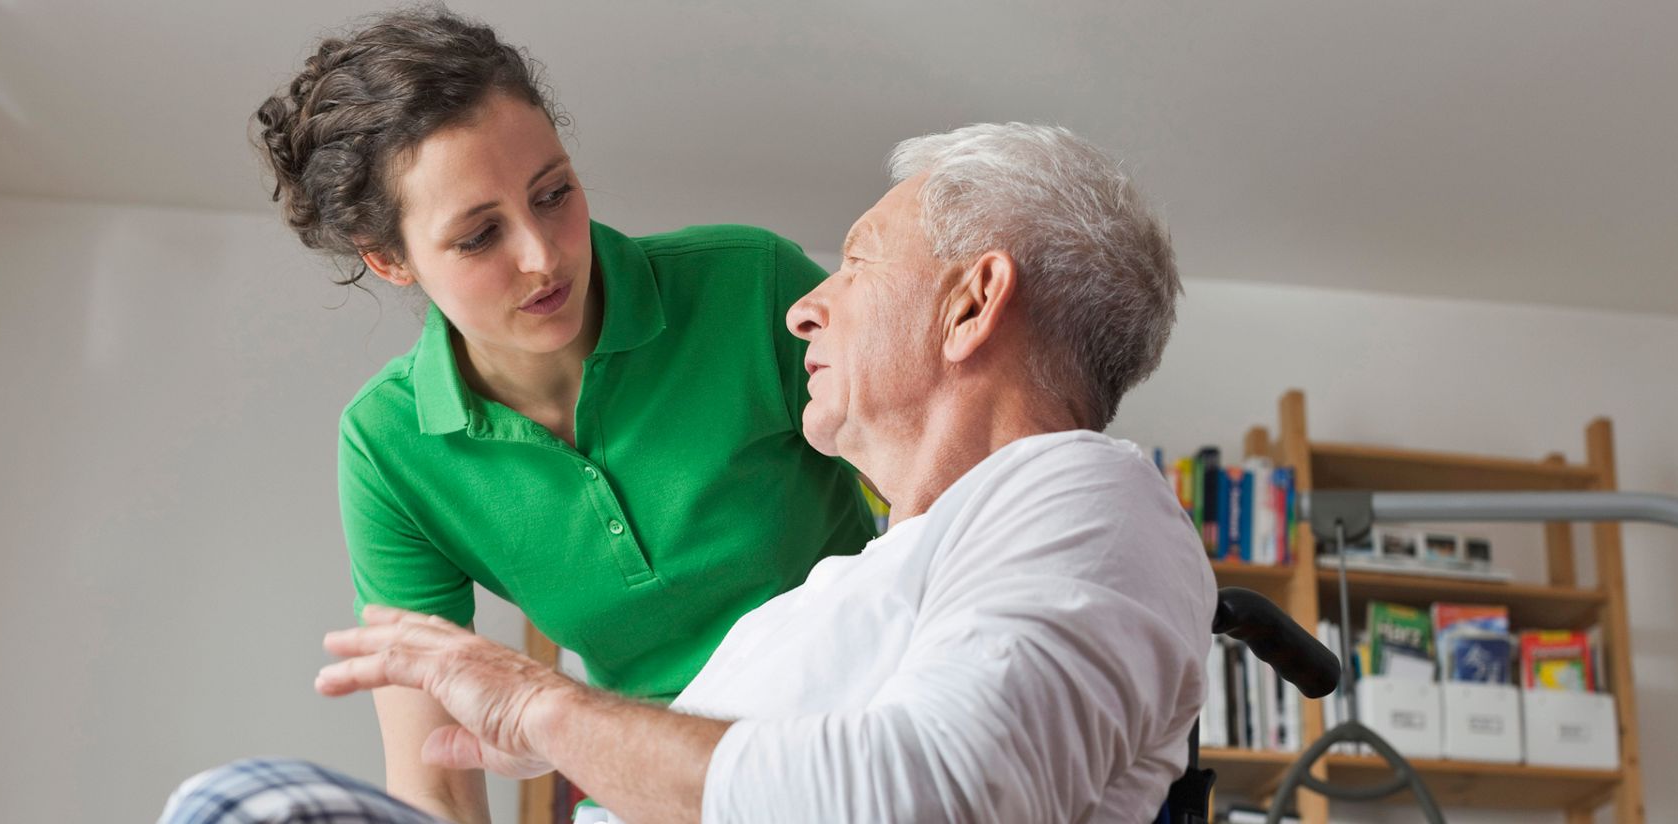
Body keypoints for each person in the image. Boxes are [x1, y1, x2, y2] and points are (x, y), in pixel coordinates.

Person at [167, 122, 1213, 824]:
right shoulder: (856, 592)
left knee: (241, 805)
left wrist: (547, 710)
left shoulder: (1089, 501)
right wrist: (546, 734)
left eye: (855, 262)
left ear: (972, 303)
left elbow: (926, 794)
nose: (805, 308)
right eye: (480, 233)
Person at [248, 8, 875, 821]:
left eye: (553, 193)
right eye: (479, 237)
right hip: (653, 787)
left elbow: (944, 505)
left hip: (859, 731)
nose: (543, 256)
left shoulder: (749, 286)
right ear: (389, 259)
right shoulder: (388, 446)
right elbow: (434, 776)